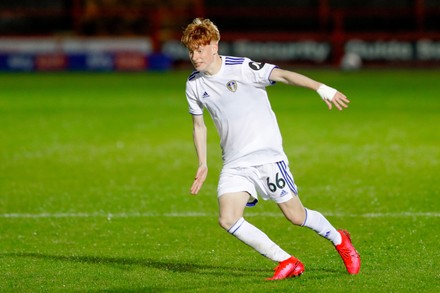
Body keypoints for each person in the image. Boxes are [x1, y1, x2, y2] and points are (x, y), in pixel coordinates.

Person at [181, 18, 360, 280]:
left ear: (215, 46)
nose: (195, 56)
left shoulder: (242, 68)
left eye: (200, 49)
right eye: (191, 51)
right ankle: (287, 261)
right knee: (228, 218)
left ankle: (339, 238)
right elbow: (199, 126)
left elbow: (284, 75)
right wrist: (202, 163)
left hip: (267, 157)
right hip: (235, 163)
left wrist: (321, 88)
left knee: (296, 216)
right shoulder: (194, 84)